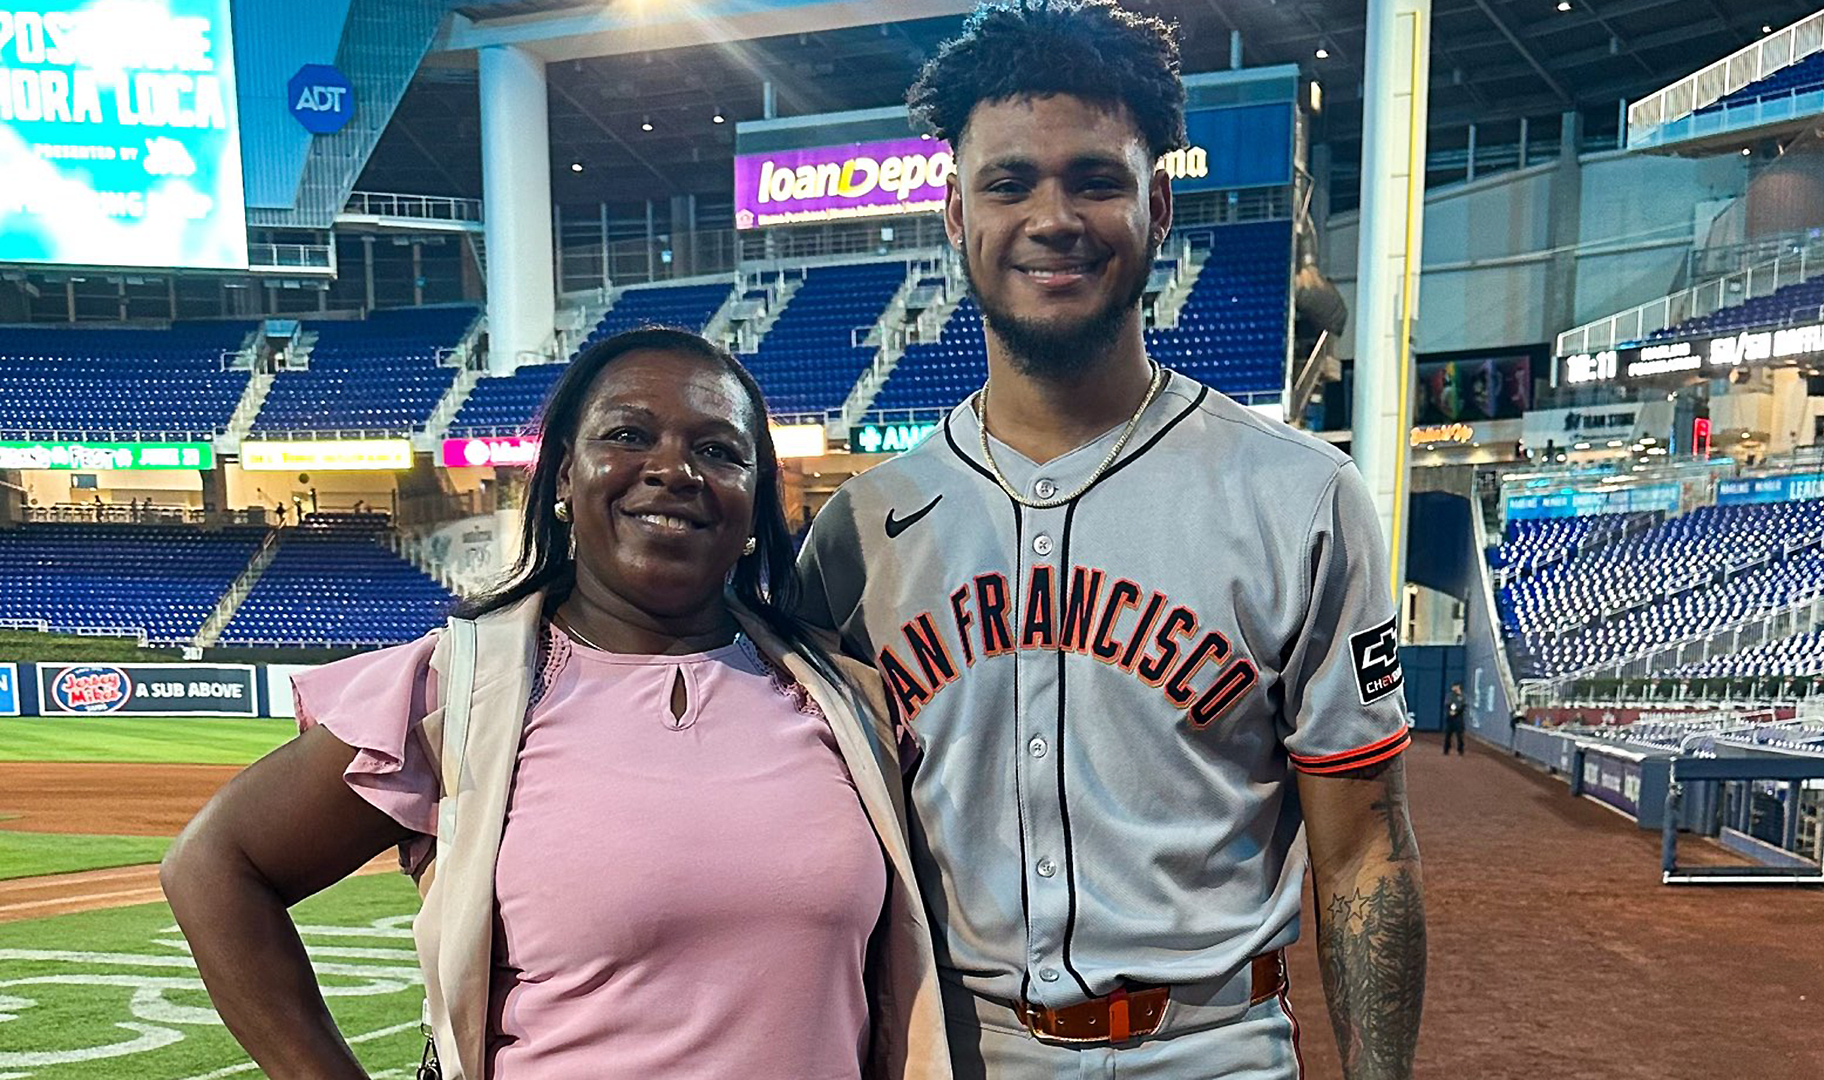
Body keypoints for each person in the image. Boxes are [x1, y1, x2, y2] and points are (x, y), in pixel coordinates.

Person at [796, 4, 1426, 1077]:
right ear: (954, 214)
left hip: (1214, 1046)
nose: (1052, 217)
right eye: (1008, 184)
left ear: (1159, 203)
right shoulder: (856, 533)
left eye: (1094, 179)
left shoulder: (1301, 496)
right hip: (961, 1048)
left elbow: (1363, 848)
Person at [163, 328, 951, 1080]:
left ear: (755, 506)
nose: (673, 470)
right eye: (628, 435)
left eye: (718, 450)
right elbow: (213, 865)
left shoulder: (850, 703)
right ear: (565, 478)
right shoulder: (456, 690)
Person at [1442, 683, 1467, 755]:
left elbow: (1463, 706)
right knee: (1448, 735)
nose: (1453, 688)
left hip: (1458, 719)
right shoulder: (1449, 696)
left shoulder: (1462, 696)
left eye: (1455, 687)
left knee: (1459, 735)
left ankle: (1460, 750)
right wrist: (1450, 712)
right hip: (1450, 719)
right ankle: (1446, 750)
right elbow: (1447, 705)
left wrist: (1456, 712)